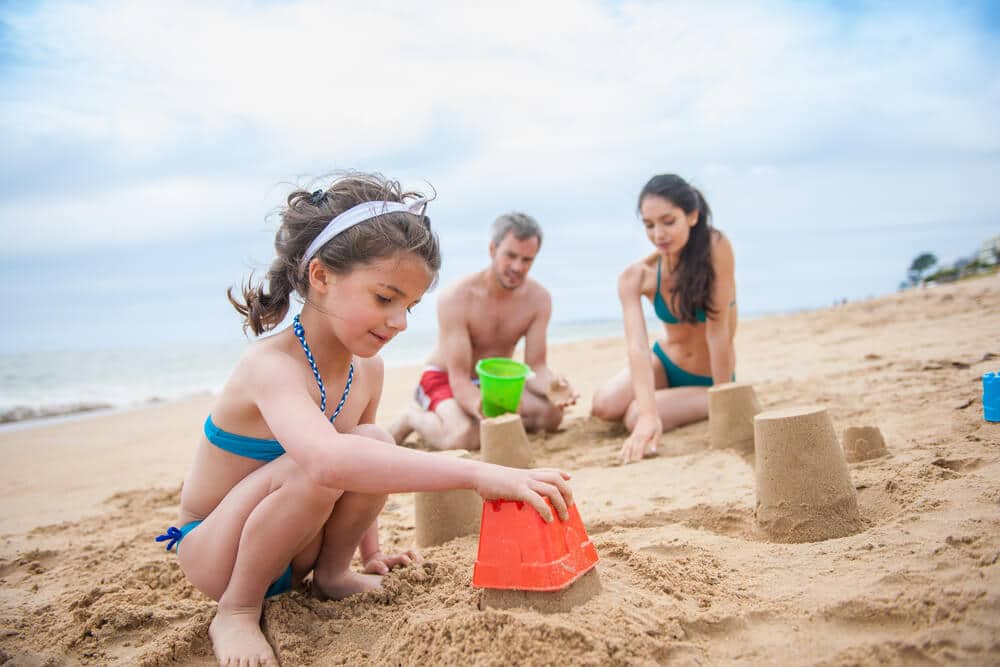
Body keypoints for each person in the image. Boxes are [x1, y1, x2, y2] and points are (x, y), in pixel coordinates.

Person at [155, 174, 574, 667]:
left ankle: (334, 575)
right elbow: (330, 463)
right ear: (321, 276)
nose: (399, 322)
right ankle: (237, 611)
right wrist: (480, 473)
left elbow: (364, 465)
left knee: (373, 438)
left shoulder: (367, 369)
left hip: (296, 553)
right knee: (317, 466)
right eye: (384, 298)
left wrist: (368, 552)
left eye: (409, 307)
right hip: (217, 553)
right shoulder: (271, 367)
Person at [390, 212, 578, 451]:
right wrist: (485, 409)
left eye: (527, 260)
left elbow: (536, 367)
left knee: (551, 416)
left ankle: (471, 417)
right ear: (492, 249)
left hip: (494, 383)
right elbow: (458, 378)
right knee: (463, 437)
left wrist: (553, 387)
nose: (518, 267)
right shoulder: (457, 296)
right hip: (445, 377)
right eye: (510, 256)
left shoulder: (539, 300)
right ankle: (412, 417)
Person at [591, 174, 737, 464]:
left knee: (633, 416)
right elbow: (638, 347)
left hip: (708, 377)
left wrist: (726, 401)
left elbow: (719, 331)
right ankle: (657, 402)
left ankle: (692, 400)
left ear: (692, 216)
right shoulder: (637, 276)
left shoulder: (715, 247)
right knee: (604, 406)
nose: (658, 234)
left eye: (668, 222)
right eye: (649, 225)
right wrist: (650, 415)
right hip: (666, 362)